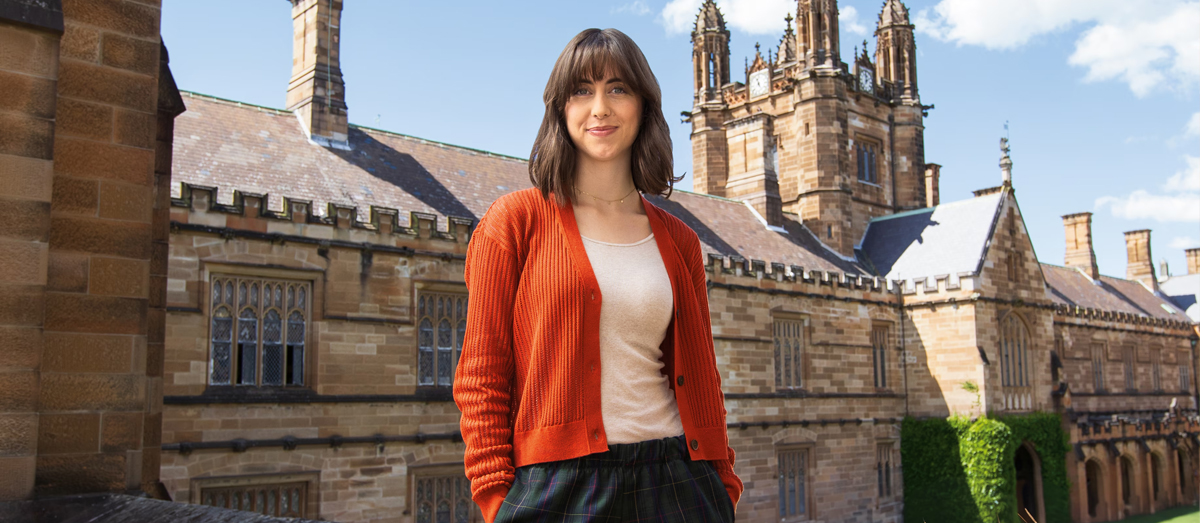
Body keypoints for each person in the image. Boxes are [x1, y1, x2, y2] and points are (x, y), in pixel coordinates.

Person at [453, 27, 743, 523]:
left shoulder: (680, 240)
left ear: (643, 106)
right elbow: (482, 372)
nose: (600, 108)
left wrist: (721, 482)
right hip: (555, 484)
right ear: (560, 110)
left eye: (618, 89)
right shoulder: (515, 222)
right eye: (582, 91)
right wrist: (495, 495)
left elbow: (702, 374)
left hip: (675, 477)